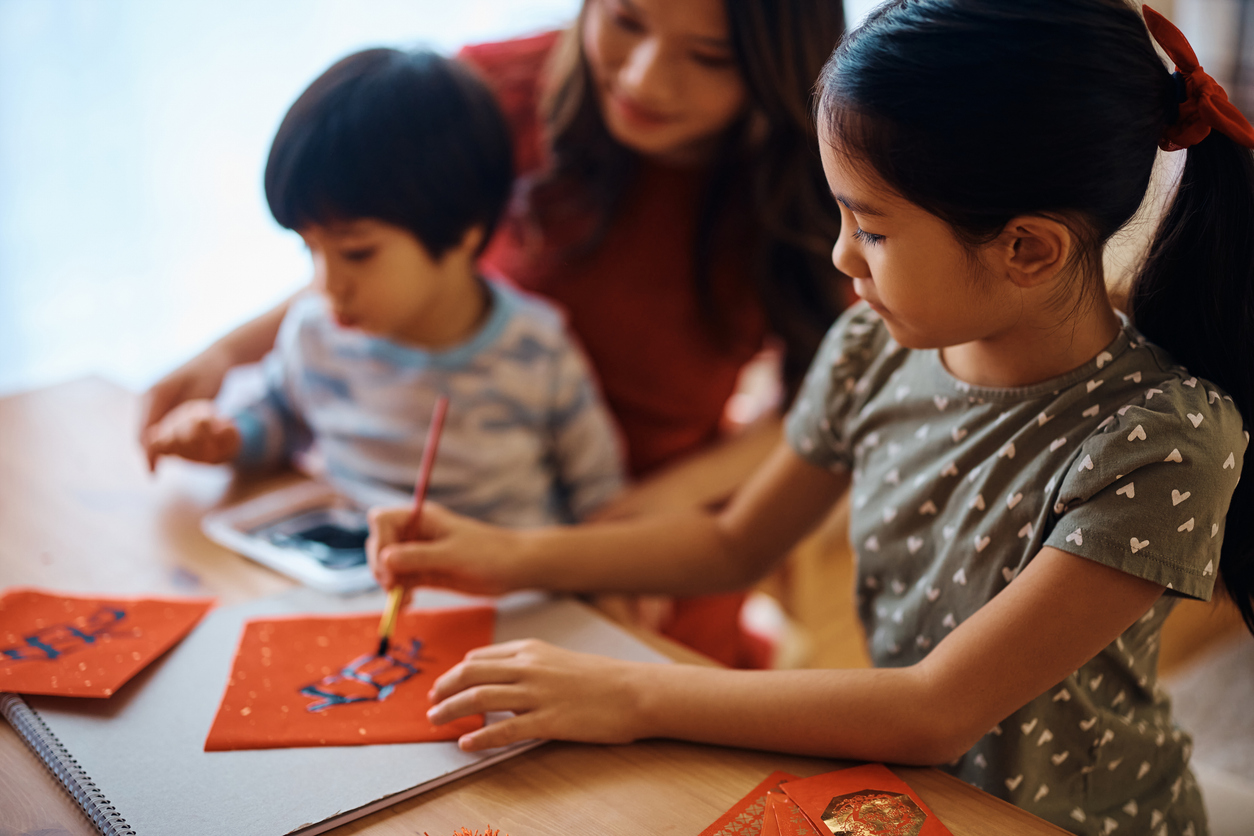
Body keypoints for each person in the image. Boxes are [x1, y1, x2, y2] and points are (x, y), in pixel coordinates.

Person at [366, 3, 1254, 833]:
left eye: (872, 229)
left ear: (1027, 248)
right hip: (907, 798)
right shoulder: (873, 347)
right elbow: (733, 546)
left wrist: (627, 692)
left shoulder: (1163, 441)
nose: (840, 256)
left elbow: (935, 709)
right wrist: (504, 555)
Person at [139, 0, 850, 668]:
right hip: (425, 551)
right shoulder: (492, 93)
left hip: (642, 561)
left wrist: (636, 518)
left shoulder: (822, 179)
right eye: (625, 20)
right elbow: (382, 255)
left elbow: (829, 403)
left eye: (709, 56)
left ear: (778, 60)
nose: (644, 78)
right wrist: (228, 354)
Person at [142, 48, 624, 526]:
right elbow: (278, 418)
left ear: (462, 232)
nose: (327, 285)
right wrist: (227, 437)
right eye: (310, 249)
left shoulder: (537, 353)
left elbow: (603, 499)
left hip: (501, 570)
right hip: (349, 560)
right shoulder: (315, 335)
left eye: (357, 253)